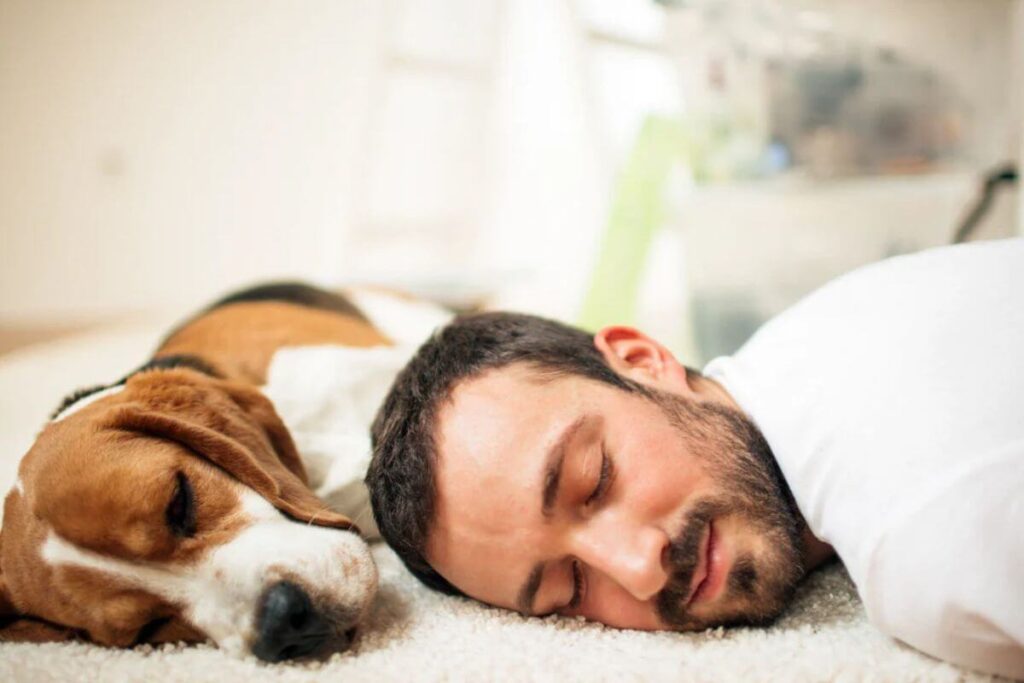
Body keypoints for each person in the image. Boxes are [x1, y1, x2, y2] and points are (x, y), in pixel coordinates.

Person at [366, 238, 1024, 679]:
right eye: (569, 589)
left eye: (594, 481)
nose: (637, 567)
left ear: (642, 359)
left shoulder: (926, 542)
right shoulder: (823, 326)